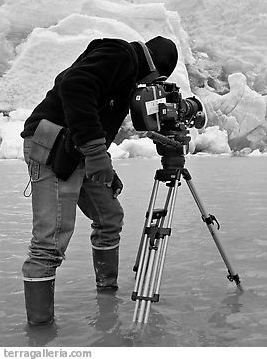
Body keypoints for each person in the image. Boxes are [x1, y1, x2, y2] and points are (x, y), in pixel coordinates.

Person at [20, 36, 179, 326]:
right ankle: (40, 333)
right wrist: (95, 152)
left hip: (76, 148)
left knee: (109, 217)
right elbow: (75, 86)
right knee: (50, 240)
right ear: (154, 68)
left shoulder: (125, 73)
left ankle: (106, 300)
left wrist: (101, 159)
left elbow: (94, 113)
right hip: (52, 145)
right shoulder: (120, 54)